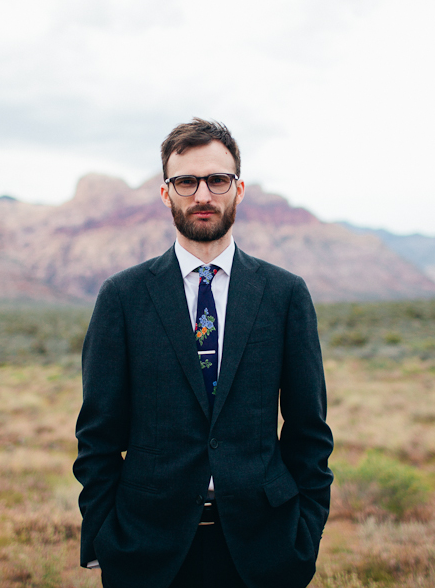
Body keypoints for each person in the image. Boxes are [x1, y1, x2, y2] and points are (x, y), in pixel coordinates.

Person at [73, 118, 333, 588]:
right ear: (166, 193)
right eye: (186, 181)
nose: (202, 194)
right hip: (148, 550)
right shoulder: (123, 297)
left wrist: (305, 533)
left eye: (217, 179)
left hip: (264, 548)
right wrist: (105, 540)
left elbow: (308, 431)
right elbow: (98, 436)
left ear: (238, 189)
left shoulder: (284, 295)